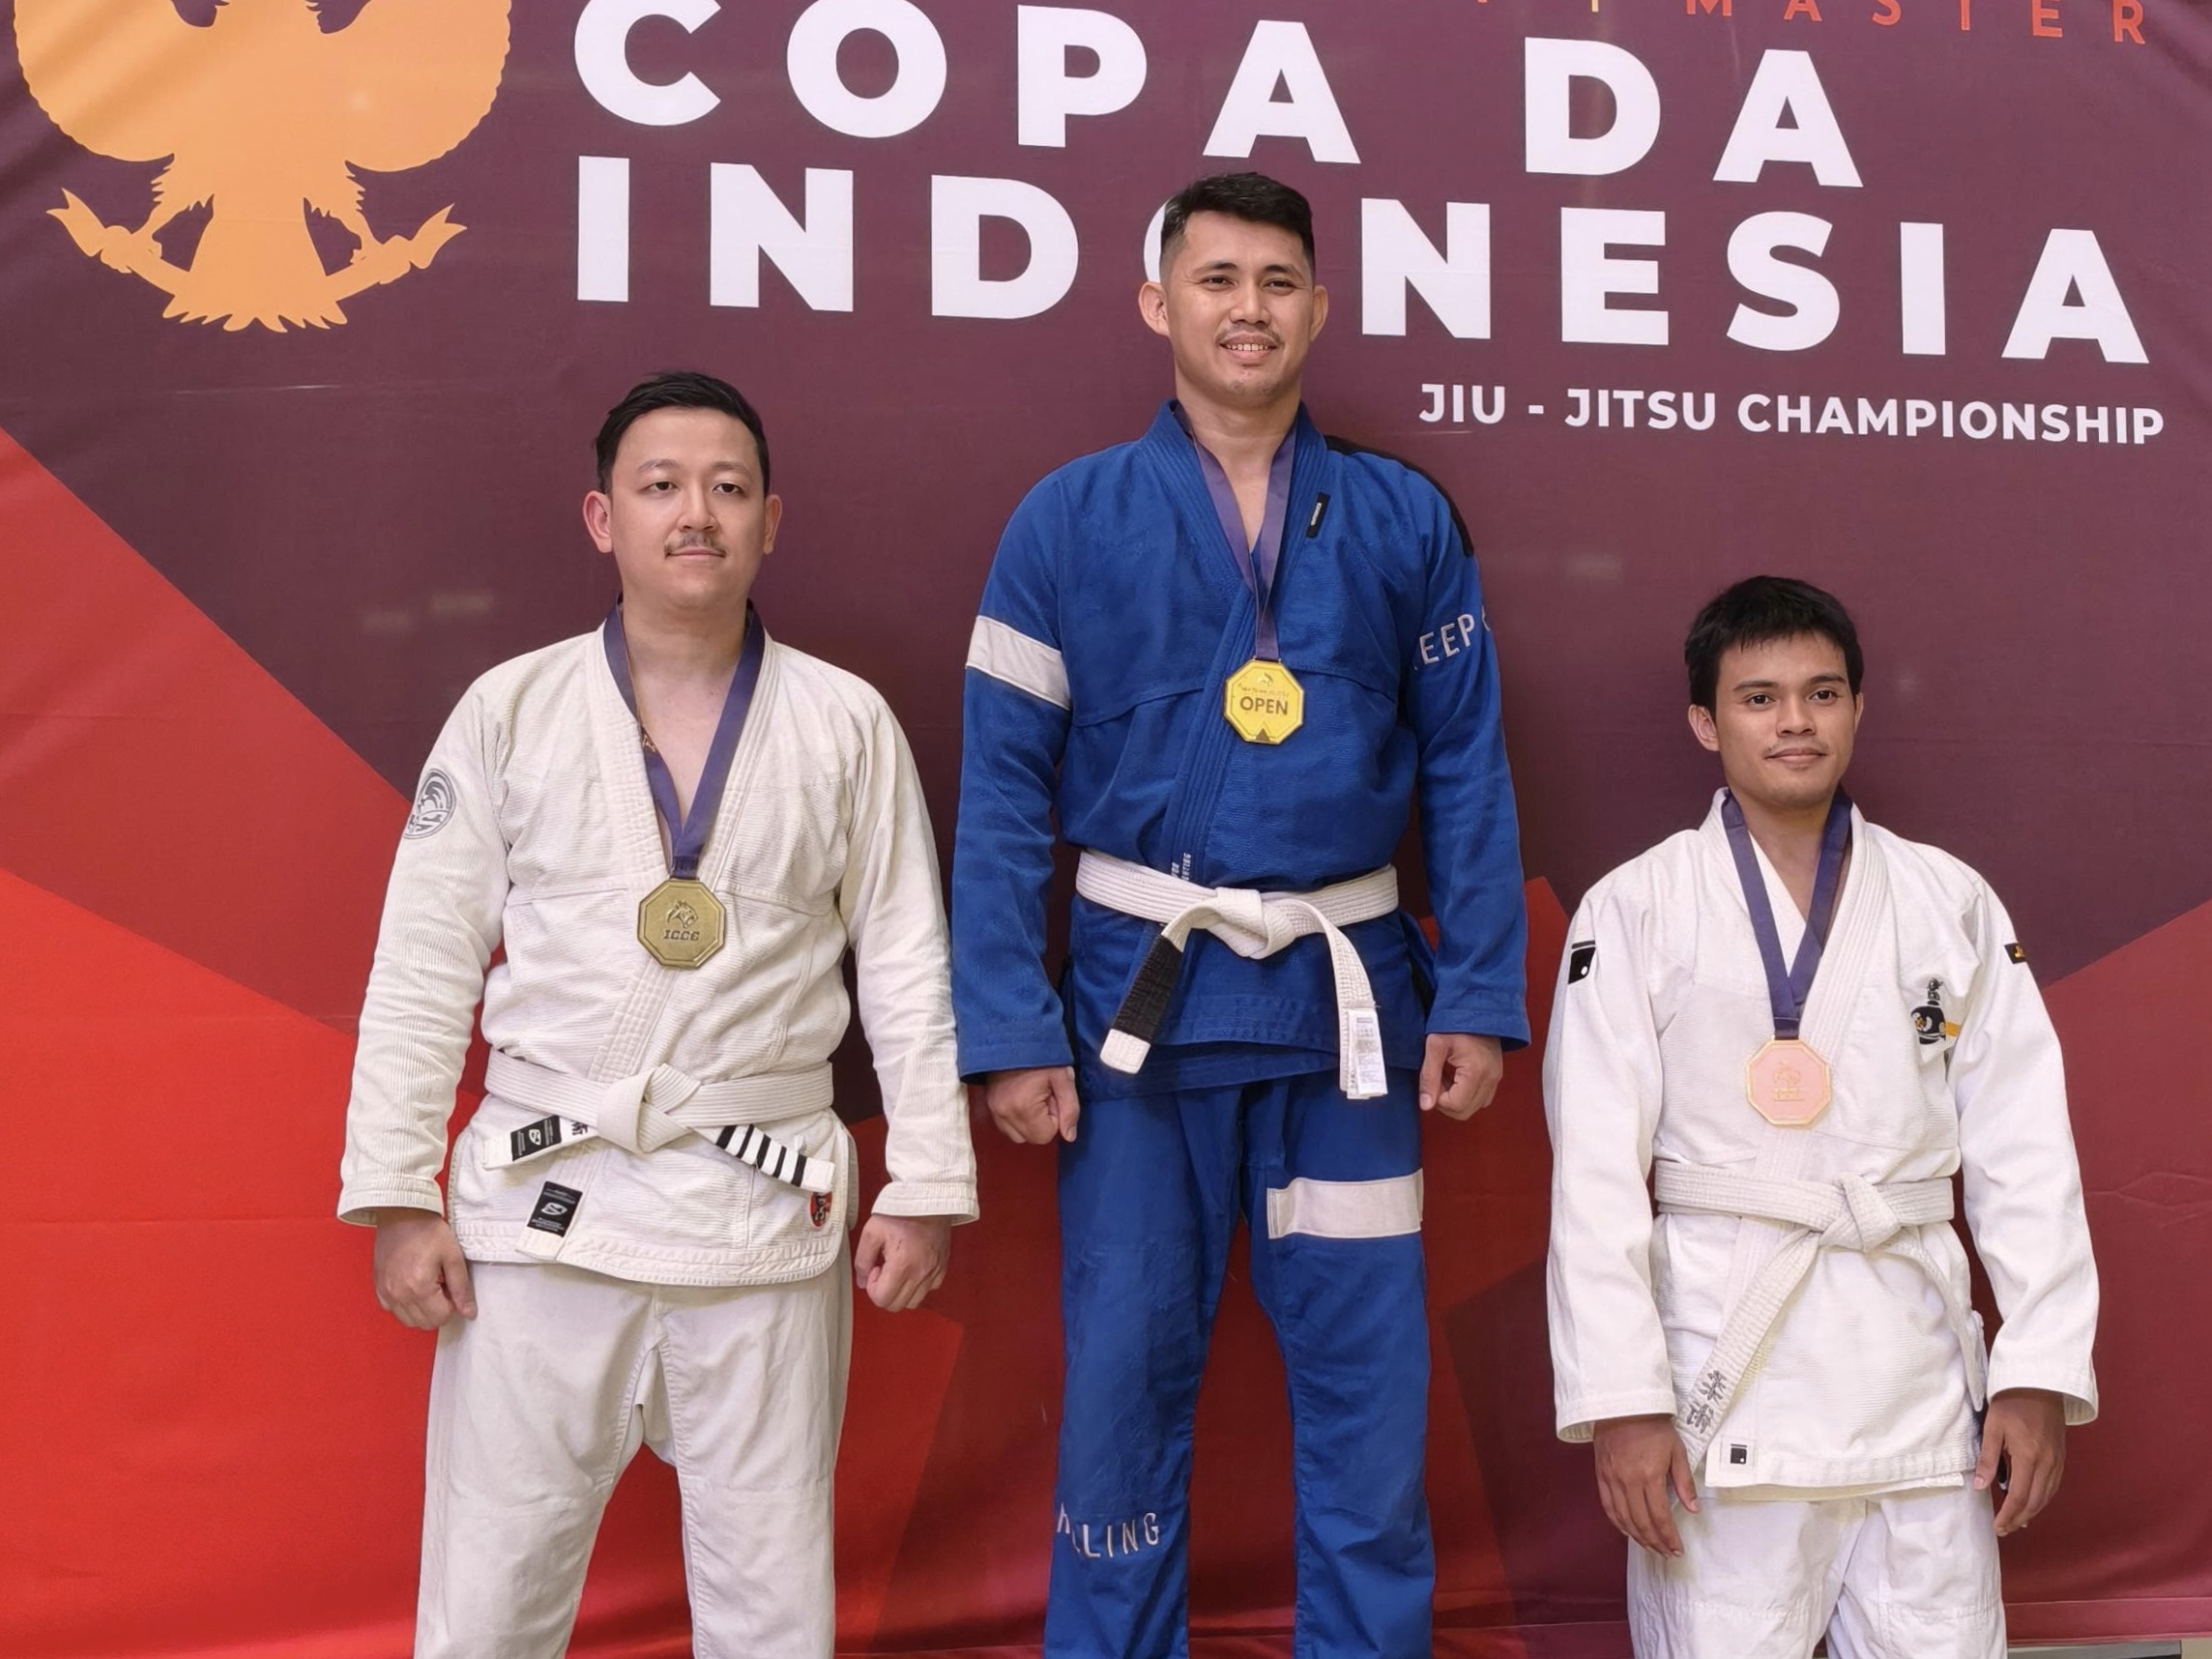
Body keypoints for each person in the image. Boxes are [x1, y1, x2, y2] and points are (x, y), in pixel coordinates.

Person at [952, 172, 1528, 1658]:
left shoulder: (1401, 518)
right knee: (1121, 1389)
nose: (1248, 308)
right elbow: (1002, 789)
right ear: (1160, 303)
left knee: (1369, 1399)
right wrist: (1008, 1023)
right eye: (1217, 280)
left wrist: (1475, 992)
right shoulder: (1064, 520)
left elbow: (1466, 766)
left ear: (1318, 308)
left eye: (1277, 281)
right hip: (1136, 1016)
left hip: (1350, 1017)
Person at [337, 370, 976, 1658]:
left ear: (770, 521)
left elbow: (908, 967)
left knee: (771, 1609)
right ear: (603, 517)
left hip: (760, 1213)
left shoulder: (844, 723)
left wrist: (926, 1183)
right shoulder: (510, 711)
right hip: (543, 1209)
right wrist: (397, 1193)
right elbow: (421, 964)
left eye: (728, 489)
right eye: (662, 486)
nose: (697, 514)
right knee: (489, 1599)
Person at [1542, 575, 2099, 1657]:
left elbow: (2025, 1151)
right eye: (1758, 698)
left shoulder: (1948, 900)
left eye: (1821, 693)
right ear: (1705, 722)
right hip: (1723, 1384)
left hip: (1918, 1388)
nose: (1794, 721)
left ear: (1856, 708)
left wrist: (2036, 1370)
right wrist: (1622, 1399)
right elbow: (1593, 1177)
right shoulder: (1637, 905)